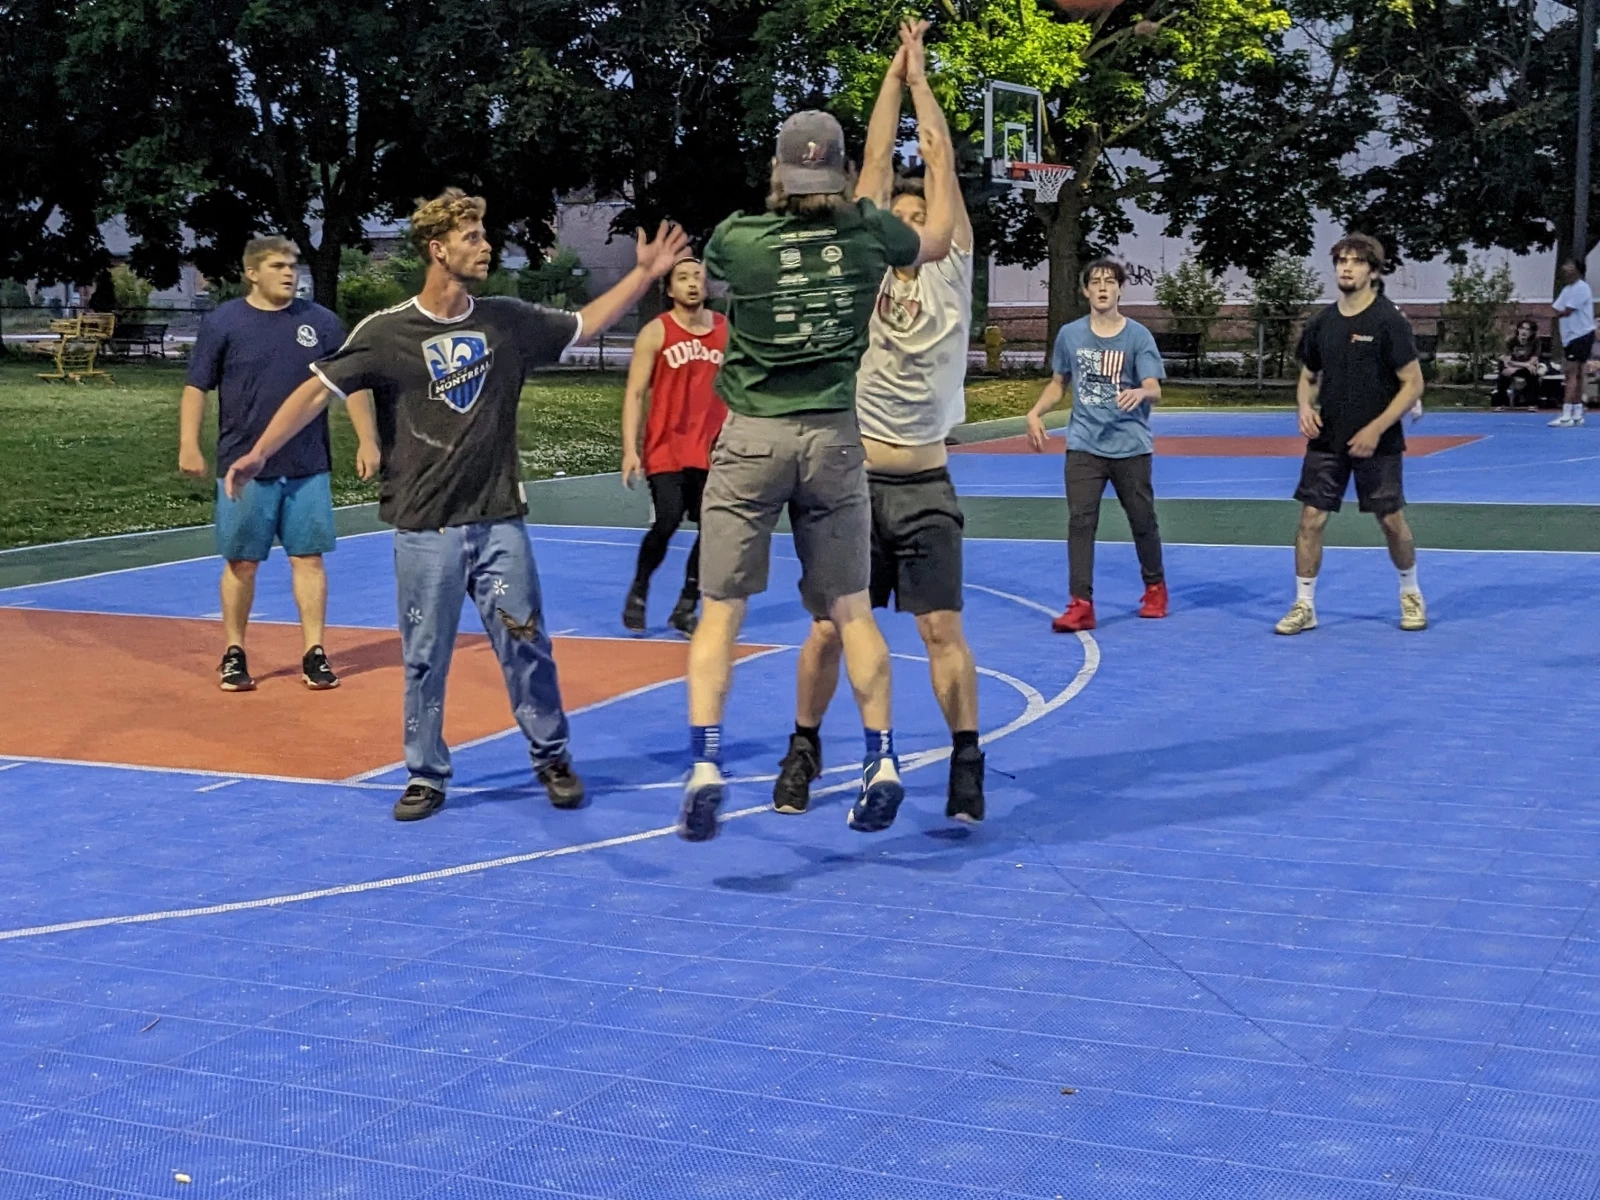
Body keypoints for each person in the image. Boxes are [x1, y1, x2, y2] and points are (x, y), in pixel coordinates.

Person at [223, 189, 689, 822]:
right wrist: (257, 453)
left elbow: (587, 325)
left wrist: (643, 274)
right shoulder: (387, 332)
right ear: (439, 250)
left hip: (498, 521)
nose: (486, 244)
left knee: (528, 648)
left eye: (484, 233)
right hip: (425, 528)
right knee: (424, 659)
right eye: (473, 236)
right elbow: (314, 393)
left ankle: (551, 755)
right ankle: (426, 773)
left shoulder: (506, 319)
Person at [678, 21, 955, 843]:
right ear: (837, 175)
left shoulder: (738, 237)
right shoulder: (872, 232)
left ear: (778, 170)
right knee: (854, 610)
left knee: (721, 610)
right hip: (839, 437)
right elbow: (930, 231)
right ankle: (882, 757)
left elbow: (736, 247)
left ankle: (704, 762)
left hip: (754, 435)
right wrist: (915, 99)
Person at [776, 31, 984, 825]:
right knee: (830, 630)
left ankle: (967, 761)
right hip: (852, 483)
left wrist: (922, 80)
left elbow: (938, 157)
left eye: (916, 215)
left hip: (925, 482)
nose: (902, 224)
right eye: (890, 217)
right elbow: (871, 159)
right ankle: (804, 744)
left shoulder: (951, 265)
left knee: (940, 629)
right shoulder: (862, 268)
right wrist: (888, 84)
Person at [179, 235, 379, 693]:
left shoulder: (321, 323)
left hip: (308, 465)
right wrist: (189, 445)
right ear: (252, 272)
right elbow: (196, 388)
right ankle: (234, 652)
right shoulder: (224, 323)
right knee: (242, 563)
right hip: (243, 468)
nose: (289, 273)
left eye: (293, 265)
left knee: (308, 558)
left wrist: (368, 439)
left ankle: (314, 652)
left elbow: (353, 383)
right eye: (277, 265)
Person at [1275, 233, 1426, 636]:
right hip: (1328, 440)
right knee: (1310, 519)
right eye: (1341, 259)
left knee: (1390, 521)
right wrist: (1304, 407)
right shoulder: (1321, 323)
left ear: (1372, 271)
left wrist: (1376, 429)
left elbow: (1413, 384)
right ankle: (1304, 605)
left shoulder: (1388, 321)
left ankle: (1410, 592)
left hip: (1379, 442)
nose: (1346, 266)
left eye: (1356, 261)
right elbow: (1308, 375)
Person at [1024, 259, 1167, 633]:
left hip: (1130, 446)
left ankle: (1155, 588)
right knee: (1080, 523)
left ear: (1120, 289)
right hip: (1084, 444)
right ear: (1086, 291)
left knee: (1142, 520)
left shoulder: (1137, 337)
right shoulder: (1070, 335)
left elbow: (1155, 388)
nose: (1103, 287)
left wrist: (1140, 391)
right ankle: (1081, 603)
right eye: (1095, 282)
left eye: (1110, 281)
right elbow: (1059, 382)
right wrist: (1036, 412)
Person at [620, 258, 729, 637]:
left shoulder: (725, 331)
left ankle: (686, 604)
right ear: (670, 289)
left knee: (714, 528)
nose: (692, 283)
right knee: (667, 519)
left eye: (698, 277)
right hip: (666, 447)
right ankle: (640, 586)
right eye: (683, 278)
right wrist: (630, 450)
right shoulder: (656, 332)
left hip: (712, 449)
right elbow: (634, 394)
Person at [1550, 258, 1595, 427]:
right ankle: (1577, 413)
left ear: (1577, 270)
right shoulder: (1567, 289)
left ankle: (1566, 414)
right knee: (1575, 374)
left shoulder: (1581, 288)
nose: (1565, 269)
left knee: (1572, 373)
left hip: (1580, 335)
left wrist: (1550, 314)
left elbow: (1566, 311)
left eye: (1569, 266)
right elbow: (1556, 308)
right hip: (1571, 336)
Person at [1493, 318, 1548, 409]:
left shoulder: (1536, 342)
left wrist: (1519, 367)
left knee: (1533, 374)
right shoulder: (1511, 341)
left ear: (1532, 332)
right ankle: (1501, 403)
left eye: (1528, 329)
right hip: (1511, 366)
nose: (1524, 331)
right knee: (1503, 375)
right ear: (1518, 329)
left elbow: (1533, 360)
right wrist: (1523, 365)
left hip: (1524, 368)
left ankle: (1532, 403)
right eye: (1522, 328)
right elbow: (1507, 361)